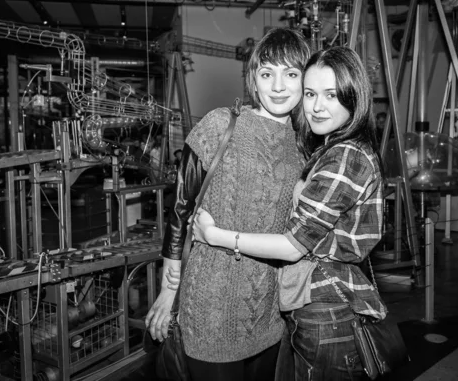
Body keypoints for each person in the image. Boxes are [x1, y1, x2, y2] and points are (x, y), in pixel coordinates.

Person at [193, 46, 387, 381]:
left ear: (355, 96)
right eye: (311, 93)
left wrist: (215, 236)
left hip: (326, 309)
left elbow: (292, 246)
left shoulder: (344, 157)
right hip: (317, 304)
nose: (316, 106)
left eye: (331, 94)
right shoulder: (326, 150)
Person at [145, 27, 311, 381]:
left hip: (269, 311)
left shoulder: (303, 149)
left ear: (304, 81)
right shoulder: (220, 124)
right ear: (253, 78)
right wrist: (166, 292)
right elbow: (180, 210)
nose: (278, 86)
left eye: (291, 74)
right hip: (210, 308)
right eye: (268, 74)